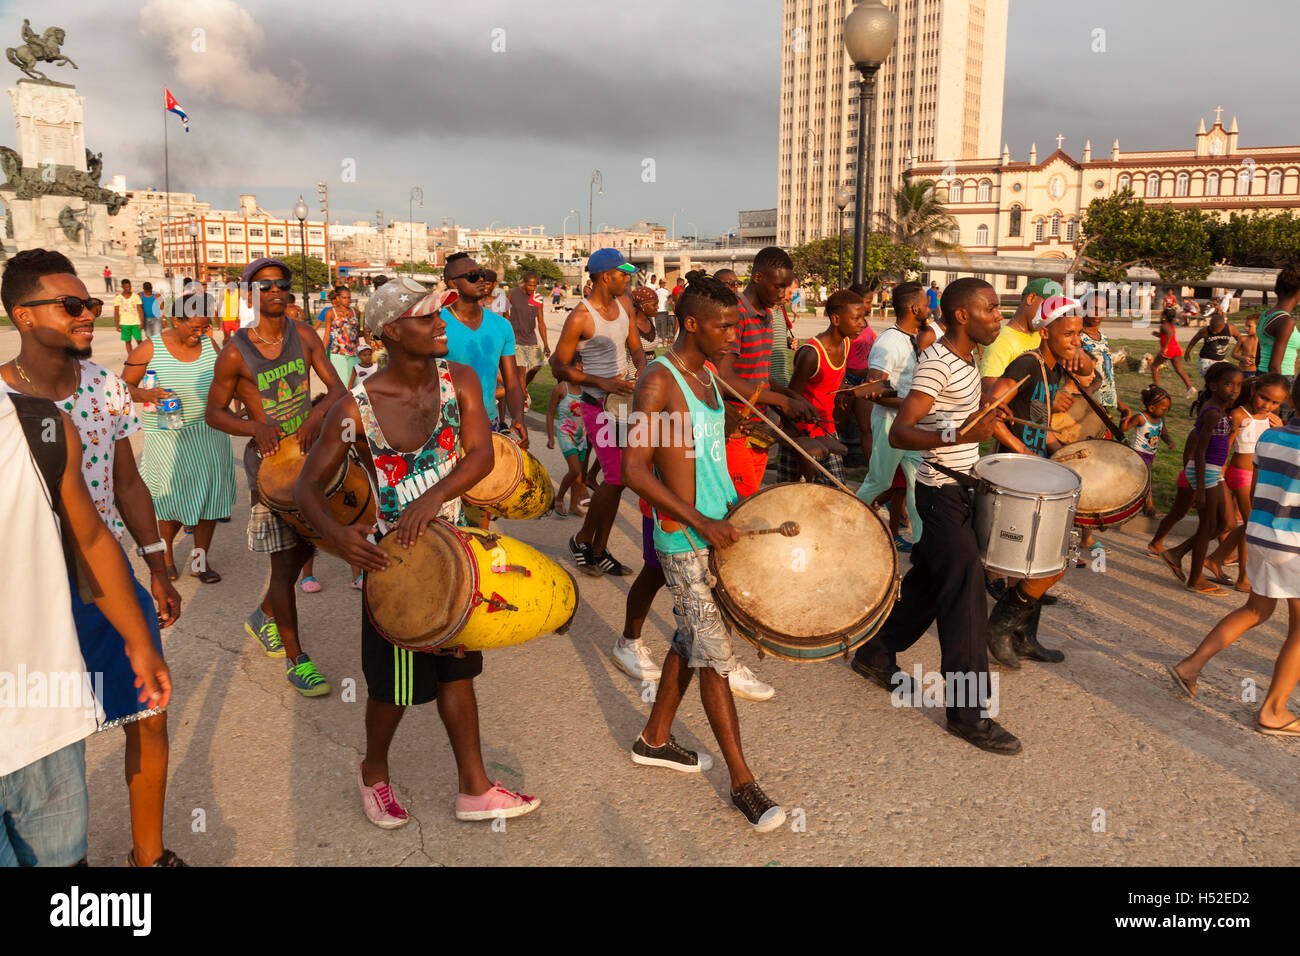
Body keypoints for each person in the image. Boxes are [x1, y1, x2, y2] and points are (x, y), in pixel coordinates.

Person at [297, 278, 540, 825]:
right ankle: (373, 773)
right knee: (395, 689)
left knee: (459, 673)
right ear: (390, 332)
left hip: (456, 557)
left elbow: (479, 455)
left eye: (442, 315)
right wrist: (338, 539)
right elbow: (306, 487)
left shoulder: (462, 381)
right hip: (395, 569)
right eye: (427, 317)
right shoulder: (355, 407)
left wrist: (431, 499)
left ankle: (474, 789)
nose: (441, 325)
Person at [0, 249, 186, 867]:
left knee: (150, 710)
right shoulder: (4, 403)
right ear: (24, 317)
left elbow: (128, 484)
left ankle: (149, 857)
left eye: (91, 306)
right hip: (30, 591)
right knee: (52, 739)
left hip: (102, 577)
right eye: (72, 306)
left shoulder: (105, 388)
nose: (88, 317)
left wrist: (157, 563)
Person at [622, 273, 786, 831]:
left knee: (693, 637)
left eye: (737, 325)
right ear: (690, 323)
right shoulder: (659, 380)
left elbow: (705, 452)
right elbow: (634, 470)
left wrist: (738, 502)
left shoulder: (709, 376)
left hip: (720, 528)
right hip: (685, 538)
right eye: (725, 326)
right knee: (715, 654)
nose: (735, 335)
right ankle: (744, 784)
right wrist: (700, 521)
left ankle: (655, 738)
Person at [850, 278, 1022, 754]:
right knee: (966, 597)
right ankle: (970, 715)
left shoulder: (970, 359)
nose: (998, 317)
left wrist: (983, 414)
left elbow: (950, 418)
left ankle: (875, 654)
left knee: (931, 579)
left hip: (962, 488)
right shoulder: (936, 365)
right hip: (940, 492)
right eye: (991, 309)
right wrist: (959, 435)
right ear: (963, 316)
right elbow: (902, 433)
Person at [205, 257, 346, 696]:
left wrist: (317, 414)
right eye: (265, 286)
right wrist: (254, 426)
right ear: (250, 295)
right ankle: (296, 659)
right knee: (284, 563)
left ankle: (261, 617)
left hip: (308, 458)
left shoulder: (303, 335)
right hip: (269, 466)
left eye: (282, 284)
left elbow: (337, 389)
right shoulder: (234, 351)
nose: (276, 291)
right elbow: (213, 413)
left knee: (306, 548)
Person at [1167, 374, 1300, 736]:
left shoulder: (1271, 436)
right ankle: (1274, 710)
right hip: (1293, 547)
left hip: (1260, 536)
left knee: (1256, 609)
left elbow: (1261, 489)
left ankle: (1190, 666)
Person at [985, 296, 1092, 668]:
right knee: (1047, 561)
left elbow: (1040, 427)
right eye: (1068, 333)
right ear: (1045, 333)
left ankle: (1024, 637)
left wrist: (1061, 451)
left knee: (1043, 562)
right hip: (1017, 475)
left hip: (1040, 474)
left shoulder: (1053, 370)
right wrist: (1023, 452)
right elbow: (988, 412)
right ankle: (1000, 625)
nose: (1075, 340)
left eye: (1079, 333)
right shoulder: (1028, 362)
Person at [121, 298, 236, 585]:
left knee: (209, 498)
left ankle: (200, 561)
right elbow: (123, 387)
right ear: (176, 321)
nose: (201, 333)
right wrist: (146, 395)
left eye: (206, 327)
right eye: (195, 328)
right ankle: (167, 557)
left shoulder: (210, 345)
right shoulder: (150, 348)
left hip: (208, 431)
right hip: (166, 434)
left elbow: (226, 380)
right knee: (168, 499)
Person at [551, 247, 646, 575]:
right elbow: (557, 366)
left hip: (624, 405)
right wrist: (600, 382)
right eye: (623, 274)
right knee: (618, 476)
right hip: (595, 407)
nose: (628, 278)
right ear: (606, 276)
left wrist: (643, 370)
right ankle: (582, 541)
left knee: (621, 481)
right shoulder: (581, 315)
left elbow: (634, 345)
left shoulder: (625, 305)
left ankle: (598, 548)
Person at [716, 247, 815, 499]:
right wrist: (782, 400)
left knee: (750, 501)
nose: (783, 295)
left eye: (786, 288)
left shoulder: (767, 315)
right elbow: (724, 379)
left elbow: (759, 373)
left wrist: (793, 396)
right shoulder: (735, 314)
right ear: (758, 278)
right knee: (744, 505)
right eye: (778, 287)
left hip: (759, 426)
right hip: (733, 425)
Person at [1150, 362, 1244, 594]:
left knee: (1224, 523)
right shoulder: (1212, 412)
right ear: (1213, 385)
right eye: (1228, 384)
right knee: (1208, 526)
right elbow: (1199, 452)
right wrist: (1200, 489)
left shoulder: (1221, 407)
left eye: (1238, 385)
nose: (1234, 389)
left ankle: (1176, 552)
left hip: (1212, 471)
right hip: (1205, 471)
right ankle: (1195, 579)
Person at [855, 281, 932, 547]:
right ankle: (848, 525)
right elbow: (874, 389)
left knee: (918, 483)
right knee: (879, 480)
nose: (929, 307)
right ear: (914, 309)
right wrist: (911, 405)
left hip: (910, 423)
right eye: (925, 304)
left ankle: (921, 543)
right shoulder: (889, 341)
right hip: (890, 423)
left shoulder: (912, 338)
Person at [1202, 375, 1289, 591]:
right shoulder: (1240, 415)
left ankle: (1217, 559)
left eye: (1274, 402)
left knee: (1250, 524)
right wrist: (1219, 475)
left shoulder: (1272, 418)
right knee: (1251, 524)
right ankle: (1242, 576)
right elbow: (1226, 447)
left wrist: (1281, 427)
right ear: (1253, 391)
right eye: (1263, 398)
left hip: (1259, 477)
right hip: (1239, 474)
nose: (1267, 405)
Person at [441, 253, 528, 450]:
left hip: (489, 423)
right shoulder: (437, 324)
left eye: (480, 274)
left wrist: (518, 417)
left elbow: (512, 381)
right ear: (453, 283)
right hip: (446, 425)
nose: (481, 279)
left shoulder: (502, 326)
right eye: (472, 276)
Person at [780, 289, 864, 485]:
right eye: (857, 318)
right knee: (799, 503)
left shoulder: (846, 344)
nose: (862, 323)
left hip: (826, 430)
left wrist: (844, 390)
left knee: (834, 496)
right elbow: (790, 403)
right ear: (836, 319)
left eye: (863, 317)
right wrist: (802, 452)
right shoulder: (811, 354)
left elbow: (828, 383)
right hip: (802, 436)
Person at [979, 277, 1060, 387]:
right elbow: (989, 386)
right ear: (1031, 298)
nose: (1052, 315)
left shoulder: (1043, 336)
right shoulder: (1002, 341)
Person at [547, 351, 589, 517]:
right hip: (566, 435)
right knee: (574, 470)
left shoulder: (585, 389)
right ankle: (559, 498)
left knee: (579, 475)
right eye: (575, 370)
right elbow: (550, 413)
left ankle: (573, 506)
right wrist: (550, 436)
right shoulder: (560, 388)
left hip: (582, 436)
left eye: (581, 371)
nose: (579, 374)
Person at [1124, 385, 1176, 517]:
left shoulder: (1160, 418)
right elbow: (1125, 428)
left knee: (1141, 480)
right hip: (1138, 453)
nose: (1165, 411)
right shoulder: (1141, 417)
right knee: (1147, 480)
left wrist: (1169, 441)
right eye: (1164, 409)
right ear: (1152, 407)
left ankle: (1136, 506)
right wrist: (1124, 420)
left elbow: (1163, 433)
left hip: (1150, 454)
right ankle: (1149, 507)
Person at [504, 271, 551, 387]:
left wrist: (546, 344)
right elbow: (505, 313)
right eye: (530, 285)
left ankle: (523, 387)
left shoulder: (537, 297)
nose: (533, 288)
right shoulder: (512, 293)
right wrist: (508, 333)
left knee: (536, 367)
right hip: (515, 338)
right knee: (521, 369)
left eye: (535, 285)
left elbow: (541, 322)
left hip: (530, 338)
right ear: (524, 283)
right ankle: (522, 395)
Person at [1259, 266, 1300, 389]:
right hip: (1279, 379)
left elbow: (1260, 353)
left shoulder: (1265, 315)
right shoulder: (1286, 321)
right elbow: (1275, 366)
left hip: (1262, 374)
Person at [318, 284, 364, 386]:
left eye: (349, 297)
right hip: (338, 353)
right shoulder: (331, 313)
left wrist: (369, 332)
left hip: (355, 352)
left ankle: (355, 402)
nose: (347, 300)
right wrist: (321, 354)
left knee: (356, 383)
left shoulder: (356, 312)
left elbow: (357, 333)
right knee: (342, 383)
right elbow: (326, 335)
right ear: (338, 298)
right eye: (344, 298)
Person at [1151, 306, 1196, 397]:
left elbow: (1169, 334)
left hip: (1168, 350)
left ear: (1164, 316)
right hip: (1176, 349)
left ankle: (1156, 389)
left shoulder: (1163, 326)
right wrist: (1158, 335)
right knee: (1179, 370)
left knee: (1154, 366)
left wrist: (1165, 348)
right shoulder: (1170, 326)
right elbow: (1169, 334)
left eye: (1162, 315)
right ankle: (1190, 388)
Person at [1187, 303, 1241, 377]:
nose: (1213, 332)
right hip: (1206, 360)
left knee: (1231, 373)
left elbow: (1240, 339)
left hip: (1220, 360)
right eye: (1212, 328)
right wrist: (1187, 352)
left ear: (1223, 326)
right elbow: (1194, 340)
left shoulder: (1230, 329)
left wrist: (1243, 349)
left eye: (1216, 330)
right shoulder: (1205, 330)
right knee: (1215, 377)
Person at [114, 278, 144, 346]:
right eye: (126, 287)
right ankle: (130, 355)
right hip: (124, 323)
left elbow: (140, 310)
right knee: (127, 342)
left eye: (130, 286)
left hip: (136, 323)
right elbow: (116, 312)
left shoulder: (136, 297)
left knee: (139, 341)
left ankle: (140, 355)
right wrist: (117, 325)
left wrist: (142, 322)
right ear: (122, 287)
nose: (128, 288)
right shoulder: (118, 298)